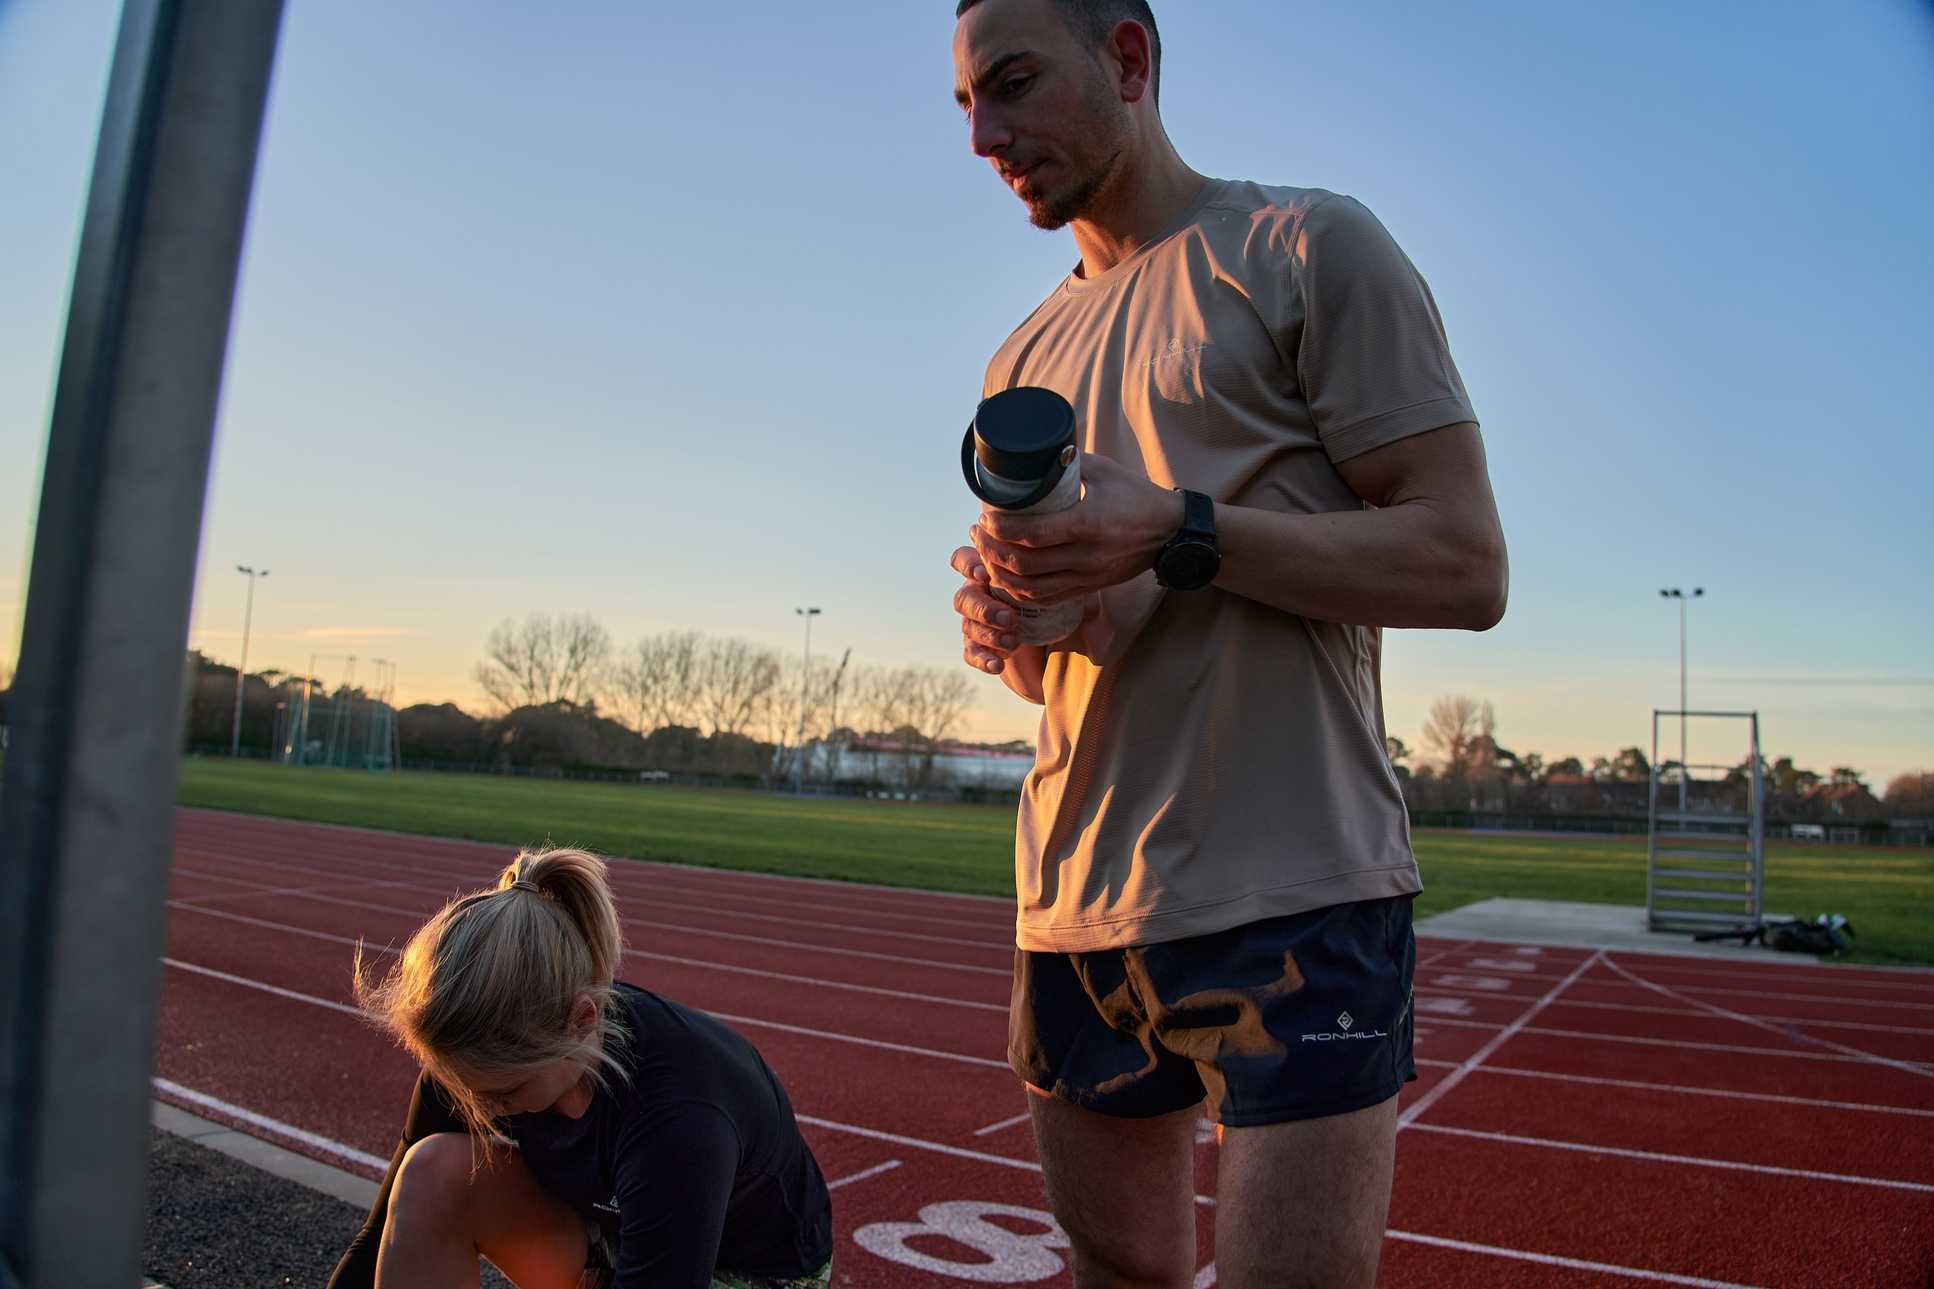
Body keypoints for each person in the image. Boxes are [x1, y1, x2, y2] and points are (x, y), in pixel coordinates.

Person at [947, 2, 1509, 1286]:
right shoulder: (1019, 357)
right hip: (1074, 900)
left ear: (1127, 58)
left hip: (1296, 886)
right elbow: (1056, 659)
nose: (985, 136)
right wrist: (1013, 618)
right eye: (967, 105)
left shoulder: (1306, 245)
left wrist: (1179, 528)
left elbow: (1464, 562)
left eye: (1014, 84)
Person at [326, 847, 832, 1289]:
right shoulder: (480, 1055)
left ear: (582, 1021)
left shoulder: (679, 1121)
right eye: (464, 1085)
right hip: (616, 1234)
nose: (482, 1108)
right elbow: (377, 1237)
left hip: (746, 1274)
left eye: (507, 1091)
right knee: (430, 1172)